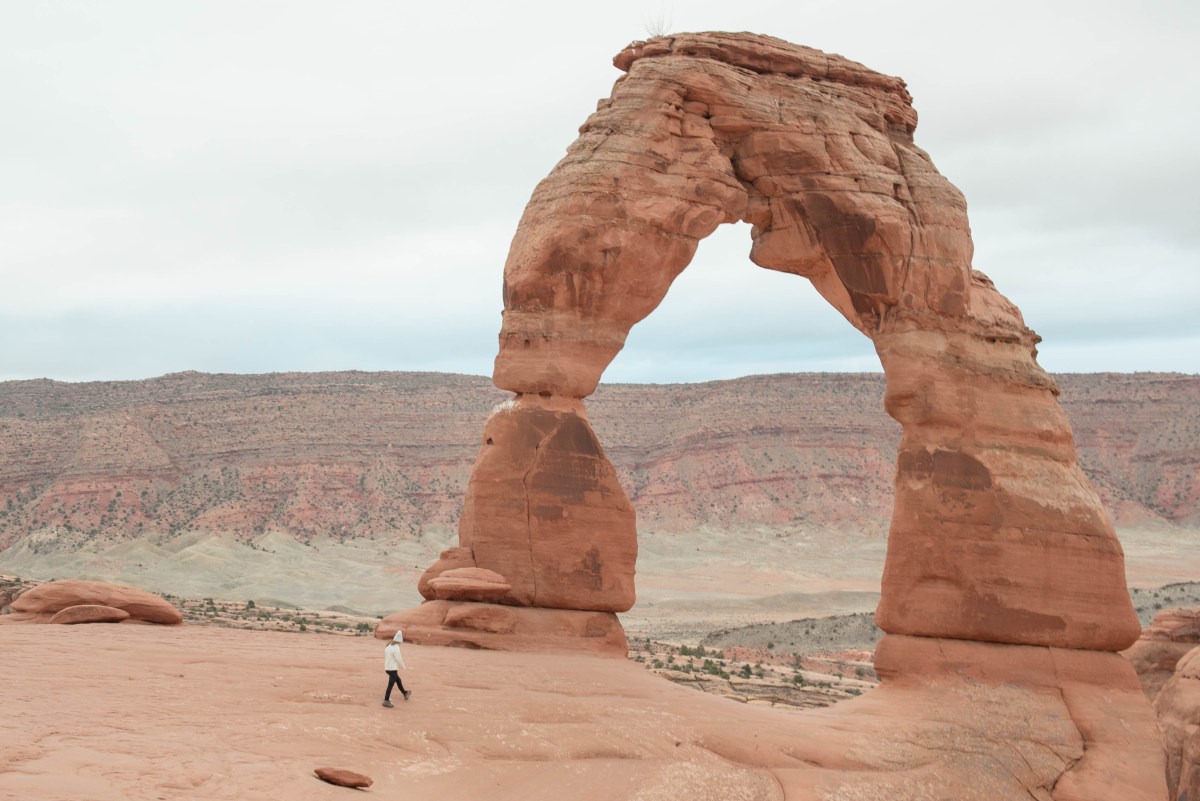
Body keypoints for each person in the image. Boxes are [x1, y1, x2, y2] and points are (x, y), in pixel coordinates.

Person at [382, 630, 411, 708]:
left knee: (398, 680)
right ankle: (386, 700)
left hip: (387, 668)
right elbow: (399, 658)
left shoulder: (388, 646)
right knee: (390, 685)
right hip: (392, 669)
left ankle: (405, 693)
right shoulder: (396, 647)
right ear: (399, 640)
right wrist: (404, 666)